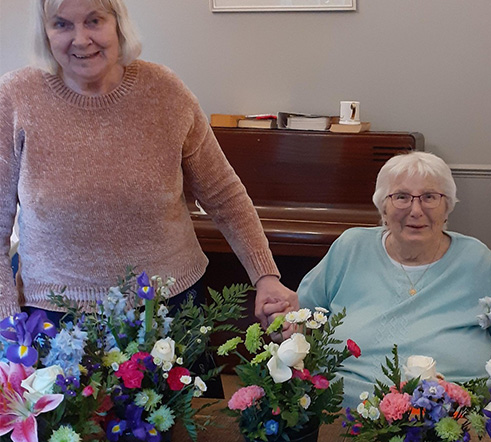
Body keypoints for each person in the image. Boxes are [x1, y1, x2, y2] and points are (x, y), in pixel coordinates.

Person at [0, 0, 297, 329]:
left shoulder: (165, 92)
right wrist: (6, 319)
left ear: (118, 24)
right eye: (61, 24)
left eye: (94, 20)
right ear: (44, 32)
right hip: (55, 317)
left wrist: (266, 275)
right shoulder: (15, 97)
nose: (81, 39)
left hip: (169, 310)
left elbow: (224, 195)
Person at [297, 151, 491, 407]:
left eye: (429, 197)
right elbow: (301, 317)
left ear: (447, 207)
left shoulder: (477, 261)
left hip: (453, 421)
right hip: (346, 417)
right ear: (383, 206)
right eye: (401, 197)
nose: (416, 210)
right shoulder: (351, 248)